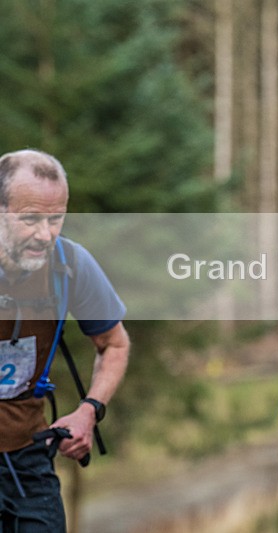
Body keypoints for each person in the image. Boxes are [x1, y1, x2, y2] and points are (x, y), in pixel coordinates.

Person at [0, 149, 130, 532]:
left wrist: (89, 410)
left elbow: (115, 344)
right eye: (29, 219)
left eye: (55, 219)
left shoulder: (69, 263)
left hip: (29, 453)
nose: (46, 233)